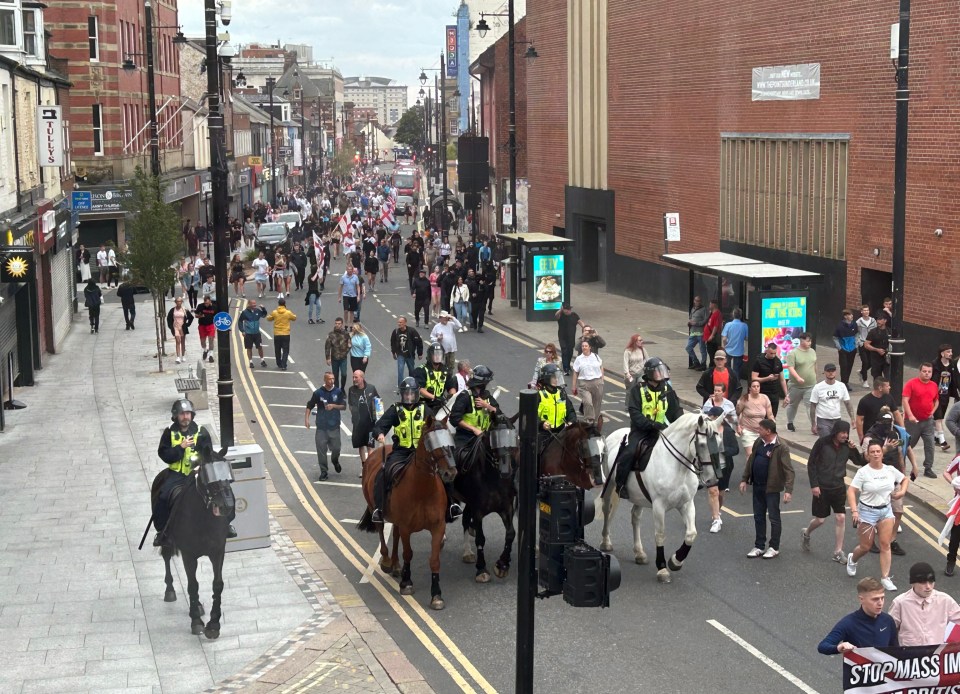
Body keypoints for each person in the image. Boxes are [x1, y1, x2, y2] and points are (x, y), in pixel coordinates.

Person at [152, 398, 235, 546]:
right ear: (176, 416)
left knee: (224, 490)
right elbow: (165, 455)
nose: (186, 417)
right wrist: (181, 447)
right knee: (163, 497)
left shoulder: (201, 432)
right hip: (177, 474)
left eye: (188, 413)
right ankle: (163, 532)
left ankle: (226, 524)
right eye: (182, 414)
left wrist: (200, 465)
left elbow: (208, 452)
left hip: (199, 472)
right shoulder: (169, 433)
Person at [846, 441, 910, 591]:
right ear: (868, 455)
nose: (875, 453)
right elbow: (851, 491)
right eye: (872, 451)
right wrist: (855, 511)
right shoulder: (863, 472)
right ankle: (852, 559)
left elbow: (904, 479)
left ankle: (885, 578)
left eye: (878, 451)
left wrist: (902, 492)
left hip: (885, 511)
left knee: (885, 544)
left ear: (882, 453)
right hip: (867, 512)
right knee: (865, 547)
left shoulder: (890, 470)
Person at [615, 357, 683, 496]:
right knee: (629, 452)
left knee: (683, 448)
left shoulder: (667, 388)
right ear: (650, 374)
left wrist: (681, 424)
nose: (661, 375)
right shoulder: (637, 390)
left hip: (662, 430)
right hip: (642, 431)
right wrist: (651, 425)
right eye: (658, 372)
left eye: (662, 371)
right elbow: (634, 413)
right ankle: (620, 485)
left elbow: (675, 410)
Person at [801, 421, 861, 563]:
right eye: (842, 432)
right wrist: (814, 485)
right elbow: (811, 464)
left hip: (838, 486)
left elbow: (860, 461)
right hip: (822, 487)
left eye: (847, 432)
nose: (845, 435)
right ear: (835, 432)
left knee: (840, 517)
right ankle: (807, 532)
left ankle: (838, 551)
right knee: (820, 519)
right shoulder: (822, 443)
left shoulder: (847, 446)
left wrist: (854, 449)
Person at [370, 378, 429, 523]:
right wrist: (380, 434)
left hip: (422, 452)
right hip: (401, 452)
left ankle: (450, 506)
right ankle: (379, 508)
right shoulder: (395, 409)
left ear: (416, 394)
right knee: (383, 473)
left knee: (442, 470)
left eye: (411, 394)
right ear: (402, 395)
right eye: (406, 394)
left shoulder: (425, 409)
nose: (409, 397)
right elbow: (379, 426)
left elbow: (436, 426)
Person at [739, 419, 794, 559]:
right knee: (758, 517)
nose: (758, 431)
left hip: (772, 489)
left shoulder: (781, 447)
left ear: (768, 431)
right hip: (757, 486)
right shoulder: (759, 442)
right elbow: (751, 460)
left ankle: (774, 547)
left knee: (774, 518)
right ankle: (759, 546)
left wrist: (788, 490)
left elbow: (789, 470)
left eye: (760, 429)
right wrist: (744, 479)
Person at [817, 577, 899, 655]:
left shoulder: (888, 621)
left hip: (884, 669)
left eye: (882, 598)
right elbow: (823, 646)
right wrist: (838, 648)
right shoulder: (849, 623)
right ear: (861, 599)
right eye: (875, 599)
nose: (880, 603)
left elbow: (896, 650)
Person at [887, 561, 960, 646]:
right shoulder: (900, 603)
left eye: (931, 582)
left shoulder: (945, 600)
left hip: (935, 655)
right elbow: (889, 630)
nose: (928, 586)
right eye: (923, 582)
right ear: (913, 583)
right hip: (910, 656)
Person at [701, 398, 738, 534]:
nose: (709, 418)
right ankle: (716, 519)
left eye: (711, 416)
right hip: (710, 467)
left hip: (724, 466)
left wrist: (722, 450)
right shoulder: (706, 431)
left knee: (720, 494)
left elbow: (735, 450)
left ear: (718, 418)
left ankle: (717, 511)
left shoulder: (728, 432)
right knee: (713, 491)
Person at [304, 372, 346, 481]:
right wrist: (306, 419)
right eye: (329, 379)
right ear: (325, 380)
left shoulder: (338, 392)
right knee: (321, 450)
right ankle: (323, 471)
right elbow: (309, 406)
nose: (332, 381)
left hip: (334, 427)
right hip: (321, 428)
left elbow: (344, 406)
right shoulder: (318, 393)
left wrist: (334, 406)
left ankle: (335, 460)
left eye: (333, 379)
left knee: (336, 448)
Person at [903, 362, 940, 479]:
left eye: (929, 372)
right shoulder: (911, 384)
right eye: (924, 371)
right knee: (907, 445)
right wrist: (910, 415)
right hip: (913, 422)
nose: (927, 374)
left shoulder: (934, 385)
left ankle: (928, 468)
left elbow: (936, 401)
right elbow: (905, 400)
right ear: (920, 372)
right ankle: (900, 465)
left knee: (930, 445)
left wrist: (932, 413)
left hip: (928, 421)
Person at [809, 363, 855, 438]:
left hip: (837, 419)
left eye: (833, 370)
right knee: (827, 442)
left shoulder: (841, 386)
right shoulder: (818, 387)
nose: (831, 373)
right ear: (824, 372)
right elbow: (813, 406)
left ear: (836, 372)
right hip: (823, 420)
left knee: (837, 442)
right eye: (828, 371)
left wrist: (852, 418)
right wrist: (813, 424)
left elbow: (847, 403)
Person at [785, 332, 818, 433]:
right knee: (793, 404)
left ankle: (814, 425)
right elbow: (790, 367)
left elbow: (814, 364)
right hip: (796, 386)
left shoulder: (812, 351)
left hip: (811, 385)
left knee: (810, 405)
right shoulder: (793, 353)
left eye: (810, 341)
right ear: (801, 340)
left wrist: (816, 377)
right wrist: (798, 377)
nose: (809, 343)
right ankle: (790, 422)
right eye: (807, 341)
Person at [348, 370, 380, 469]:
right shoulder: (351, 390)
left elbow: (378, 402)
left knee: (370, 446)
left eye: (356, 377)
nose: (354, 379)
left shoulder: (371, 388)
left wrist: (379, 418)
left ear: (362, 378)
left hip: (370, 423)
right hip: (358, 424)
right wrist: (354, 415)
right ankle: (364, 465)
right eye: (353, 377)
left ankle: (368, 467)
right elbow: (350, 404)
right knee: (360, 445)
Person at [856, 377, 903, 443]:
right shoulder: (865, 401)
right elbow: (859, 420)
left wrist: (903, 430)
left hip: (886, 435)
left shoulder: (889, 397)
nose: (889, 387)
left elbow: (897, 414)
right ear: (880, 388)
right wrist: (861, 437)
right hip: (871, 435)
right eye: (887, 386)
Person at [736, 379, 774, 459]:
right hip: (748, 431)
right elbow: (737, 413)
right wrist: (738, 426)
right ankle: (748, 471)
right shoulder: (744, 399)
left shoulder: (765, 398)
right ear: (750, 388)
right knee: (750, 455)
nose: (756, 388)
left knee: (762, 455)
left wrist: (773, 429)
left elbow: (770, 415)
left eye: (758, 386)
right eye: (754, 386)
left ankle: (757, 471)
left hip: (762, 432)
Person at [415, 342, 455, 416]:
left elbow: (451, 386)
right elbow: (420, 389)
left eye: (439, 354)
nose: (437, 356)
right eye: (435, 354)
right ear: (430, 355)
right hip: (424, 404)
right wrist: (434, 397)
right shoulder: (421, 370)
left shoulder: (445, 370)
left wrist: (452, 396)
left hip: (440, 403)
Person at [751, 342, 789, 418]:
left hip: (774, 392)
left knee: (772, 416)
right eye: (771, 353)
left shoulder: (778, 361)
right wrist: (767, 378)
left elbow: (782, 379)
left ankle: (771, 429)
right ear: (767, 351)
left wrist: (786, 395)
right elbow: (753, 378)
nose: (773, 356)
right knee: (762, 416)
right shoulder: (759, 361)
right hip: (762, 392)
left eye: (774, 353)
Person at [933, 345, 959, 452]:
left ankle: (936, 437)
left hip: (945, 394)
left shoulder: (952, 364)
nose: (951, 354)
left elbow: (955, 380)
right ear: (942, 353)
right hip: (935, 395)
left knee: (940, 416)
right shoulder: (935, 364)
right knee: (938, 418)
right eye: (948, 352)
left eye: (951, 351)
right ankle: (943, 442)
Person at [537, 364, 577, 433]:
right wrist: (542, 424)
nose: (556, 379)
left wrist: (571, 421)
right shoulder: (539, 395)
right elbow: (532, 416)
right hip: (544, 432)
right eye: (554, 377)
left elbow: (570, 411)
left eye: (557, 377)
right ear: (547, 378)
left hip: (561, 432)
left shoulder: (562, 394)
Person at [571, 340, 604, 423]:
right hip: (584, 383)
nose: (584, 347)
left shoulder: (596, 356)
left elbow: (601, 367)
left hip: (597, 382)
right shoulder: (578, 359)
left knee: (597, 404)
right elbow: (575, 372)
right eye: (583, 346)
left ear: (590, 347)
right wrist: (574, 386)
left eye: (586, 346)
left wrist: (602, 380)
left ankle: (595, 422)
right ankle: (589, 420)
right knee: (588, 402)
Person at [390, 316, 423, 387]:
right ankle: (400, 387)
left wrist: (420, 353)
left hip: (410, 355)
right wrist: (393, 352)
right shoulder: (395, 331)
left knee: (412, 371)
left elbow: (419, 342)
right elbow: (392, 342)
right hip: (400, 354)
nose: (399, 324)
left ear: (405, 323)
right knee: (400, 371)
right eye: (398, 322)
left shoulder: (412, 331)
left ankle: (412, 385)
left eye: (401, 322)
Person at [267, 297, 297, 370]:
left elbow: (268, 318)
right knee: (285, 350)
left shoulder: (275, 312)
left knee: (277, 349)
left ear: (278, 304)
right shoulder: (288, 312)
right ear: (284, 304)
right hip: (286, 333)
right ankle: (284, 365)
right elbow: (294, 318)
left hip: (277, 333)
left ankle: (279, 363)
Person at [237, 299, 268, 368]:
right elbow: (240, 322)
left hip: (257, 333)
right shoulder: (244, 313)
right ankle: (251, 362)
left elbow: (264, 315)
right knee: (249, 348)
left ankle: (262, 360)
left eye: (255, 303)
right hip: (248, 334)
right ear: (249, 304)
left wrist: (263, 308)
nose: (255, 305)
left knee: (260, 347)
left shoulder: (257, 311)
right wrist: (242, 330)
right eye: (253, 303)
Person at [555, 303, 584, 376]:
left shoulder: (574, 315)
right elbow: (556, 315)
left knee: (570, 352)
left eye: (569, 309)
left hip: (571, 337)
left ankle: (567, 365)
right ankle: (566, 369)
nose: (568, 311)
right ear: (563, 310)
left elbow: (580, 322)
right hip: (562, 337)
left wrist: (585, 328)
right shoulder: (561, 315)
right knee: (564, 351)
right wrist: (560, 310)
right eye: (566, 310)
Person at [834, 309, 858, 390]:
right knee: (844, 366)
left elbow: (856, 335)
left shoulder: (854, 325)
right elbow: (835, 338)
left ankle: (846, 382)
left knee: (849, 366)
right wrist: (840, 348)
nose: (852, 316)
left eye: (852, 314)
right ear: (845, 316)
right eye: (850, 315)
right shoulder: (839, 326)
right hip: (843, 350)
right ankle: (843, 383)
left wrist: (856, 345)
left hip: (852, 349)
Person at [720, 307, 748, 377]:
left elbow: (724, 339)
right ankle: (736, 385)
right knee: (737, 370)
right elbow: (747, 338)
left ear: (733, 315)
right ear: (741, 315)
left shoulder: (728, 325)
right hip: (739, 351)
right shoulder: (744, 326)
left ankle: (728, 383)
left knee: (727, 369)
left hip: (728, 350)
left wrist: (725, 345)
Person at [325, 317, 351, 390]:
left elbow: (349, 345)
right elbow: (327, 346)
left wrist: (345, 352)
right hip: (334, 358)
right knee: (335, 376)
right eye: (336, 323)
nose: (337, 325)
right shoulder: (331, 334)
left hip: (343, 358)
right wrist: (328, 358)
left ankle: (342, 388)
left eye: (339, 324)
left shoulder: (346, 334)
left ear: (342, 324)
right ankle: (337, 390)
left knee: (344, 374)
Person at [855, 305, 878, 388]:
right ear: (861, 312)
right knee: (865, 362)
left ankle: (861, 372)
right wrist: (858, 342)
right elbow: (856, 333)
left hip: (871, 344)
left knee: (871, 363)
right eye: (864, 310)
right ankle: (865, 381)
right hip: (862, 344)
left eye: (867, 310)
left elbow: (876, 331)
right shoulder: (858, 322)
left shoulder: (873, 321)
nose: (866, 312)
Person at [166, 296, 193, 363]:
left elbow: (191, 317)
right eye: (177, 301)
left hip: (182, 327)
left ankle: (183, 356)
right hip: (175, 327)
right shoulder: (172, 310)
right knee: (178, 341)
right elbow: (169, 319)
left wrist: (187, 324)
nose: (179, 302)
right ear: (175, 302)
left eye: (180, 301)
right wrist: (170, 326)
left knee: (182, 342)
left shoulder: (184, 310)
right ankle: (178, 357)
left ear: (182, 302)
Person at [864, 314, 891, 381]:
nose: (878, 321)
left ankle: (887, 391)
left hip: (887, 359)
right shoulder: (873, 332)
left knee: (888, 378)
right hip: (876, 359)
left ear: (885, 321)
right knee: (877, 379)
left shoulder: (890, 331)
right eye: (877, 319)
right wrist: (877, 350)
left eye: (880, 319)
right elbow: (866, 344)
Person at [685, 295, 708, 370]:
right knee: (688, 348)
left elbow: (705, 321)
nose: (697, 302)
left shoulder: (704, 309)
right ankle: (696, 362)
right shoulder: (693, 309)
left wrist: (697, 324)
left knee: (702, 349)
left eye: (698, 301)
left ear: (700, 302)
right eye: (696, 300)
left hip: (700, 333)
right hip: (693, 332)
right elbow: (691, 318)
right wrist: (689, 323)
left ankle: (703, 364)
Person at [194, 295, 217, 365]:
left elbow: (217, 316)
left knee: (211, 340)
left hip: (210, 325)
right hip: (202, 326)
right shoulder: (200, 306)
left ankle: (211, 355)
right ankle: (205, 350)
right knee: (202, 341)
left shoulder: (214, 307)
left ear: (210, 301)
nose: (206, 305)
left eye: (207, 303)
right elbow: (196, 315)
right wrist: (201, 316)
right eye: (205, 303)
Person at [702, 299, 723, 368]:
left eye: (710, 304)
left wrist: (712, 335)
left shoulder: (717, 314)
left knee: (712, 354)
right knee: (710, 353)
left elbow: (716, 326)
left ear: (713, 305)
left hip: (712, 339)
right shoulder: (712, 313)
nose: (709, 305)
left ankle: (712, 368)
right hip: (708, 338)